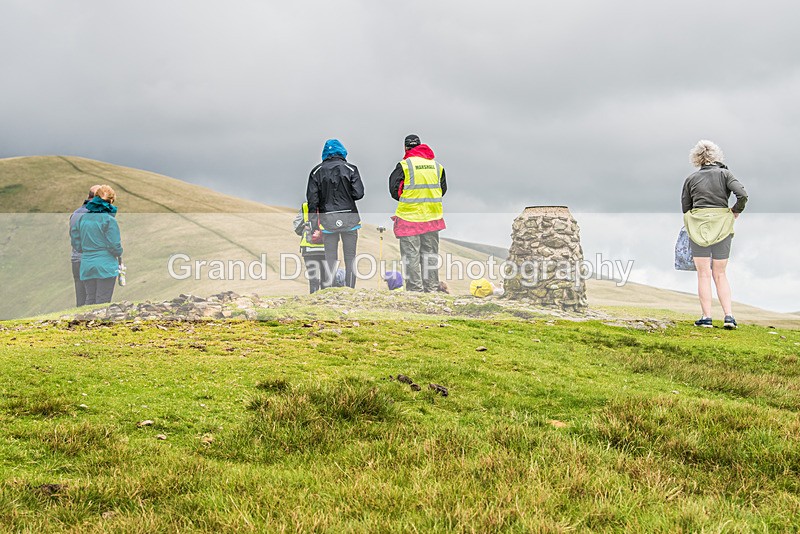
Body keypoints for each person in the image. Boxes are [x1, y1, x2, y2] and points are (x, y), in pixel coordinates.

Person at [681, 140, 748, 329]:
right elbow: (742, 194)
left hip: (698, 226)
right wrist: (735, 211)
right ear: (717, 156)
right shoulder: (726, 174)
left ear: (696, 158)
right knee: (720, 273)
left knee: (703, 273)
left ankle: (706, 317)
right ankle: (729, 316)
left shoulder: (691, 179)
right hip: (722, 226)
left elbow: (686, 207)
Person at [388, 134, 447, 292]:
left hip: (410, 218)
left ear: (406, 148)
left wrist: (408, 197)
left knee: (411, 257)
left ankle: (415, 291)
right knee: (430, 256)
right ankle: (432, 289)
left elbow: (394, 190)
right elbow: (443, 189)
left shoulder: (405, 165)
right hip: (432, 218)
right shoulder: (437, 166)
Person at [306, 139, 364, 289]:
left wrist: (314, 226)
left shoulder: (316, 172)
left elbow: (312, 202)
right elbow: (359, 193)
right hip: (350, 218)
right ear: (342, 152)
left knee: (331, 257)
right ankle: (350, 289)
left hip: (328, 220)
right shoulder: (351, 169)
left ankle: (332, 289)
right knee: (350, 257)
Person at [70, 185, 124, 305]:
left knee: (89, 299)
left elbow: (75, 241)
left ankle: (86, 323)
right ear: (111, 201)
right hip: (105, 266)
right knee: (102, 301)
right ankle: (98, 323)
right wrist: (119, 252)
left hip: (87, 264)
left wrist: (87, 250)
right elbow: (115, 246)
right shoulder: (109, 220)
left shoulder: (83, 218)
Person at [69, 185, 101, 306]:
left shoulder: (75, 213)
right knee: (94, 299)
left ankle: (79, 322)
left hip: (76, 259)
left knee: (81, 298)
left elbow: (73, 237)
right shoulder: (95, 214)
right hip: (91, 260)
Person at [293, 202, 326, 293]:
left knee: (313, 280)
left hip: (309, 249)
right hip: (327, 249)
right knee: (326, 280)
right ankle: (326, 303)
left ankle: (314, 302)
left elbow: (297, 226)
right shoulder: (330, 204)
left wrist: (306, 230)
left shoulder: (305, 206)